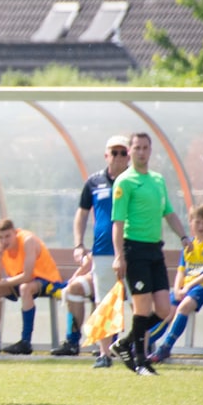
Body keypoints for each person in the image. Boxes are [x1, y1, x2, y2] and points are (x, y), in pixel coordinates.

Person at [109, 132, 192, 376]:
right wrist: (119, 255)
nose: (141, 152)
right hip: (134, 249)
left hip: (155, 249)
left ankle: (124, 344)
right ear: (130, 151)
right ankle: (140, 361)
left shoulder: (157, 180)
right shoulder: (124, 182)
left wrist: (183, 236)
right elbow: (118, 222)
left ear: (150, 151)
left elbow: (169, 213)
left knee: (165, 309)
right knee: (142, 308)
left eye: (145, 148)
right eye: (137, 148)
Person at [73, 135, 132, 367]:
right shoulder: (94, 182)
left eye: (122, 152)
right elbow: (82, 213)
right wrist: (79, 244)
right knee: (105, 303)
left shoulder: (136, 180)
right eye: (113, 152)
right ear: (106, 155)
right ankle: (104, 354)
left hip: (132, 249)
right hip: (103, 251)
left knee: (137, 302)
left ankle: (139, 350)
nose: (118, 157)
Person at [148, 204, 203, 363]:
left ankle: (165, 348)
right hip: (185, 288)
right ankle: (142, 344)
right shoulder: (188, 244)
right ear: (190, 222)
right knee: (167, 311)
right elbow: (181, 271)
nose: (201, 226)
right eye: (197, 222)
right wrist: (177, 288)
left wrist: (188, 286)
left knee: (184, 306)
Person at [0, 218, 66, 355]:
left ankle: (25, 342)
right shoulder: (0, 245)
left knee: (25, 288)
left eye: (8, 236)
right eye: (1, 237)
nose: (4, 241)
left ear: (15, 232)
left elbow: (28, 276)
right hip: (19, 280)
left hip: (45, 279)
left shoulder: (27, 240)